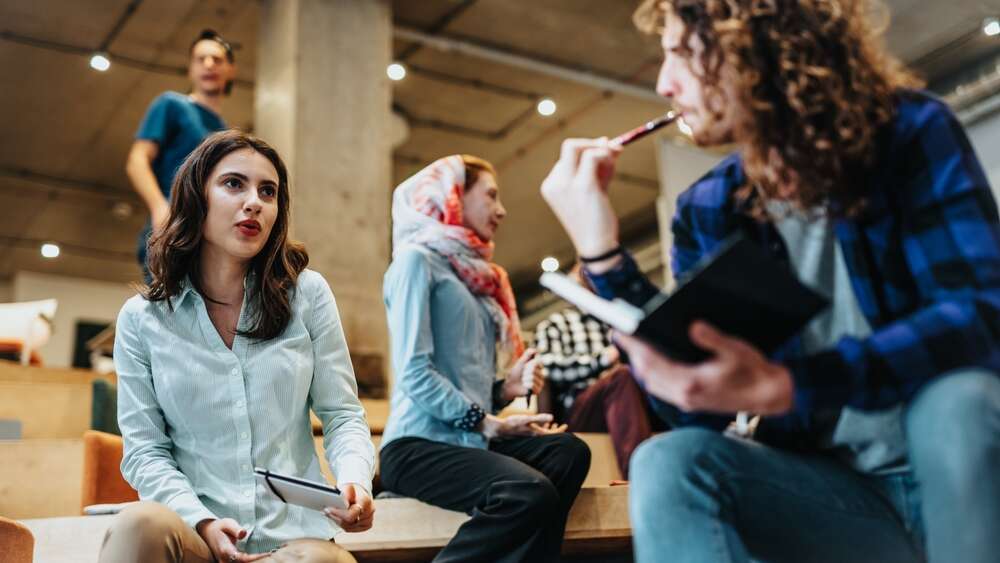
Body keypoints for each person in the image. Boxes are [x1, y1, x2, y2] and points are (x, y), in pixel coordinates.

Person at [540, 1, 1000, 562]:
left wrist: (789, 384)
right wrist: (604, 257)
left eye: (681, 54)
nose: (664, 83)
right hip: (842, 500)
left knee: (957, 400)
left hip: (962, 480)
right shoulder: (708, 208)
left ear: (756, 49)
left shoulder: (909, 133)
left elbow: (978, 317)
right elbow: (700, 411)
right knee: (671, 461)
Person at [100, 130, 375, 563]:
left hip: (293, 539)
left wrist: (355, 481)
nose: (254, 202)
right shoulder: (142, 319)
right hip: (195, 535)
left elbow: (342, 415)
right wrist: (201, 522)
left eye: (269, 191)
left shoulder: (308, 295)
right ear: (196, 197)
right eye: (234, 184)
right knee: (139, 524)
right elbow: (145, 451)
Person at [378, 155, 592, 562]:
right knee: (527, 491)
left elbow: (465, 384)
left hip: (468, 440)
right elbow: (414, 372)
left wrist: (505, 388)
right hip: (416, 448)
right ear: (455, 195)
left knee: (569, 452)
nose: (502, 209)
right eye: (491, 196)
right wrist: (489, 422)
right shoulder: (415, 261)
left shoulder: (472, 277)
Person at [534, 265, 663, 479]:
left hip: (633, 401)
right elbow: (549, 368)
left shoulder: (621, 321)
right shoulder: (557, 324)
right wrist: (604, 359)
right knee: (621, 377)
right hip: (581, 409)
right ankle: (639, 477)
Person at [125, 29, 235, 277]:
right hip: (172, 228)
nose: (209, 64)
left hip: (207, 239)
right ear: (191, 69)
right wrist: (160, 208)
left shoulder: (224, 132)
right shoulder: (172, 105)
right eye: (201, 58)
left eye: (217, 59)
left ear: (230, 70)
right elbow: (137, 161)